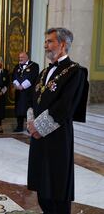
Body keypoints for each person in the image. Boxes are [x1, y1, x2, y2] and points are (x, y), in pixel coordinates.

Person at [27, 27, 88, 214]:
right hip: (38, 137)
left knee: (57, 187)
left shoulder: (75, 72)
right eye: (45, 41)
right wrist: (31, 123)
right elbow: (33, 99)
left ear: (62, 44)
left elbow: (65, 106)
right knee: (42, 188)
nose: (46, 45)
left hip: (58, 136)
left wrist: (38, 127)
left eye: (50, 41)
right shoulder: (44, 72)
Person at [12, 52, 39, 132]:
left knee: (28, 110)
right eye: (19, 57)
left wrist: (22, 86)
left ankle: (29, 127)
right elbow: (14, 76)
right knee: (19, 109)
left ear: (27, 57)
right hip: (19, 93)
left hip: (28, 92)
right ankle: (19, 126)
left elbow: (32, 77)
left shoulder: (34, 66)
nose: (20, 59)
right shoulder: (17, 66)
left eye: (22, 57)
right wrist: (17, 85)